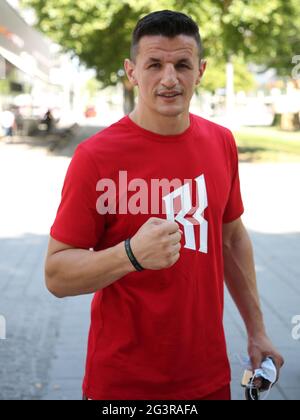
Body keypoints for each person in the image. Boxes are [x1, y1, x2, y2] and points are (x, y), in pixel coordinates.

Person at [45, 10, 284, 400]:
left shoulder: (221, 142)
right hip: (122, 385)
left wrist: (257, 330)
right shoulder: (95, 157)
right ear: (131, 71)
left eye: (182, 64)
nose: (169, 78)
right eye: (154, 64)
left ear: (201, 70)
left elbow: (231, 239)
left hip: (208, 377)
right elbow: (56, 274)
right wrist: (131, 254)